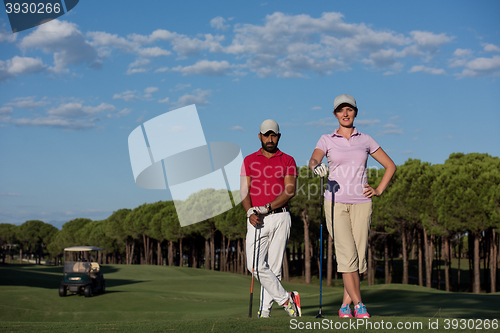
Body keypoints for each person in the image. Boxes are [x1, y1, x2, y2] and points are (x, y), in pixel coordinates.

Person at [309, 94, 396, 318]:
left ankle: (344, 306)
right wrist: (315, 166)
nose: (345, 114)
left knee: (357, 258)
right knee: (347, 255)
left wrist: (378, 190)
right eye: (340, 110)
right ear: (335, 114)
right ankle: (359, 305)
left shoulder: (366, 139)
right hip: (335, 203)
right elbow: (314, 159)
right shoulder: (326, 139)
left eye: (349, 110)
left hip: (362, 204)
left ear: (355, 112)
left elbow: (390, 166)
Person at [241, 119, 301, 318]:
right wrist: (250, 212)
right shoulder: (249, 160)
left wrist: (267, 207)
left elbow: (289, 190)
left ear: (279, 136)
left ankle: (264, 313)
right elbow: (244, 191)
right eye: (266, 135)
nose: (270, 138)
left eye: (273, 135)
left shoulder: (288, 160)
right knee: (255, 266)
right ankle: (287, 300)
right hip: (256, 218)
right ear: (259, 136)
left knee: (274, 268)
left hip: (280, 216)